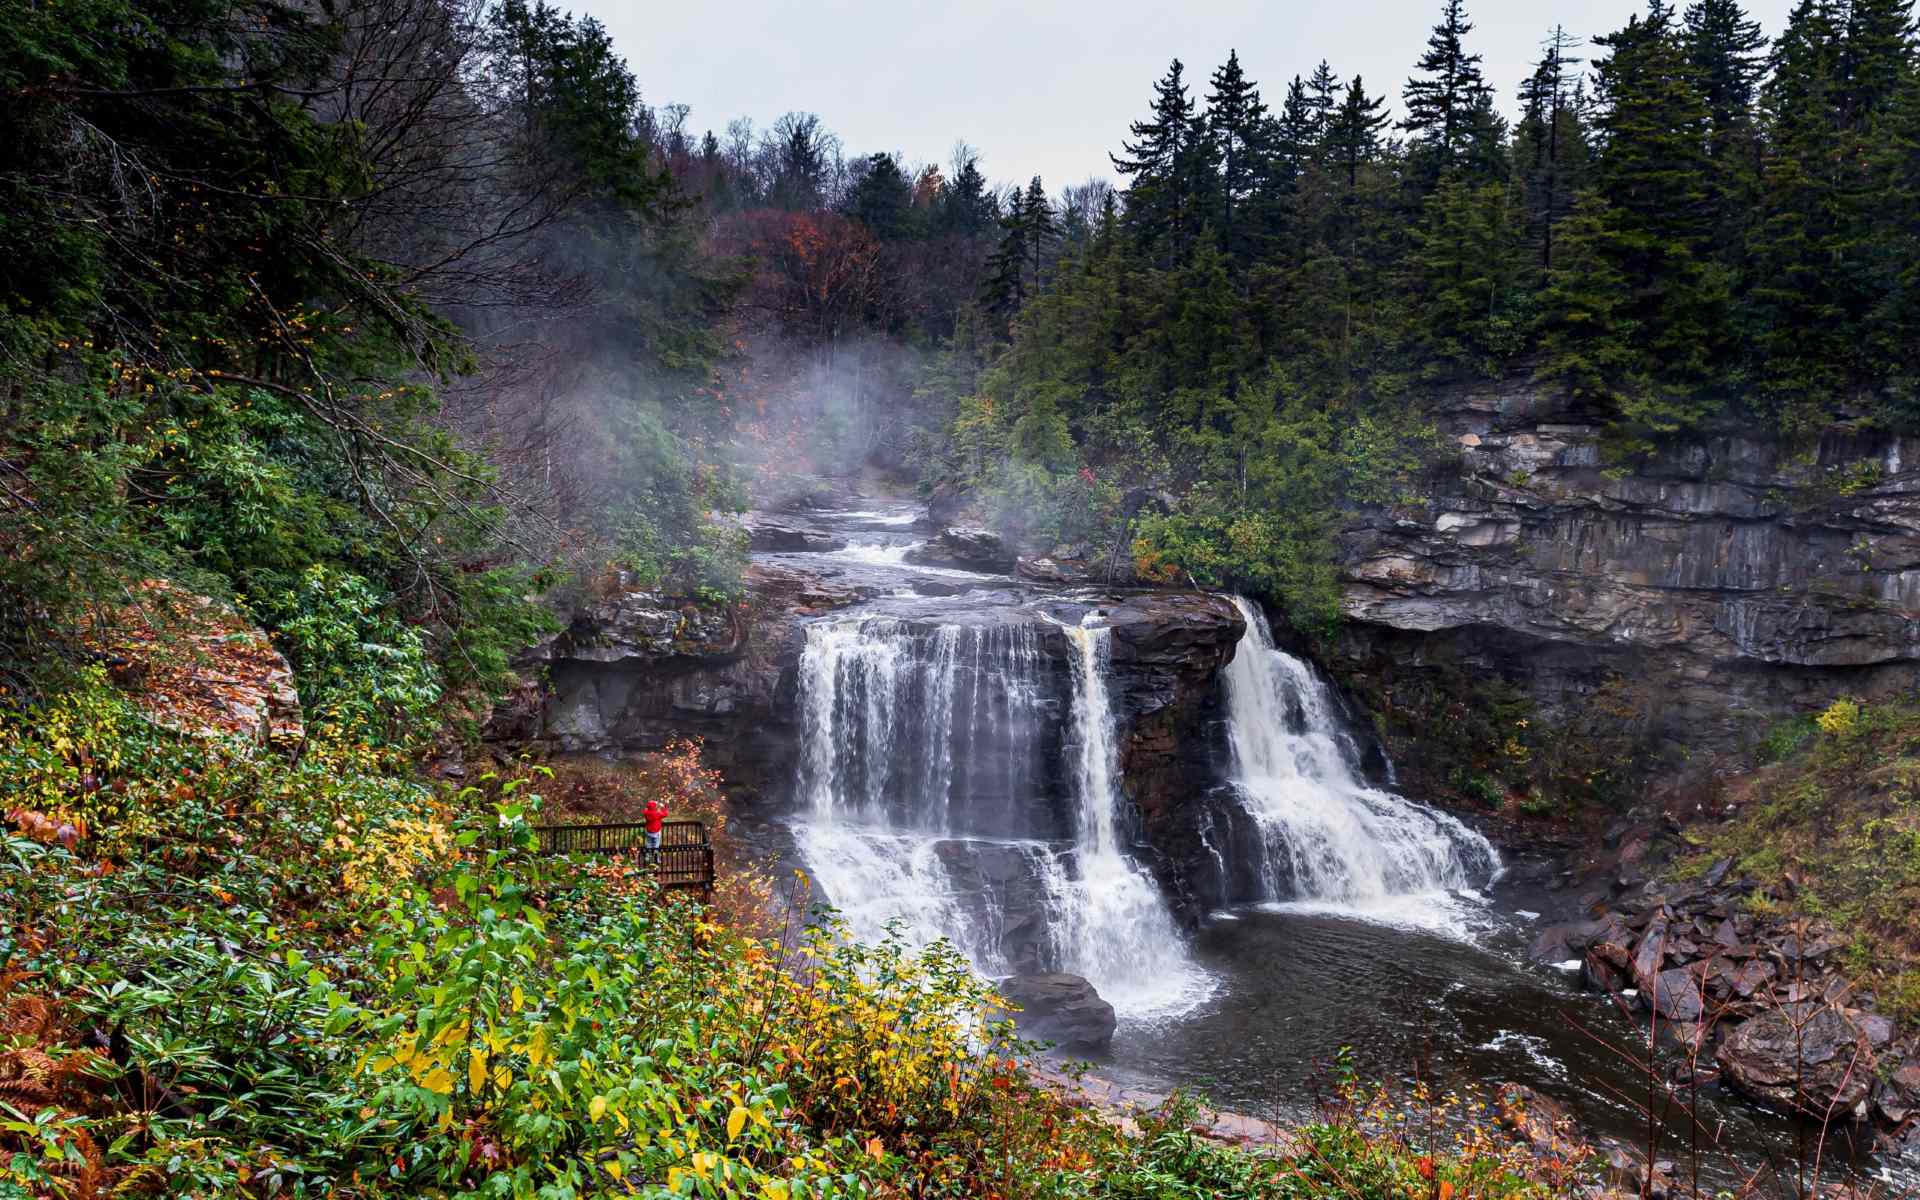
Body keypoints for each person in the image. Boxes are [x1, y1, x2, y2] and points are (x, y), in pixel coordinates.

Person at [641, 796, 667, 864]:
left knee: (648, 845)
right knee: (656, 845)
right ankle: (657, 858)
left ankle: (647, 857)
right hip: (657, 832)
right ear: (654, 807)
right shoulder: (657, 813)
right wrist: (662, 807)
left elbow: (644, 810)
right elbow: (665, 814)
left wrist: (648, 806)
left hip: (649, 831)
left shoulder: (646, 813)